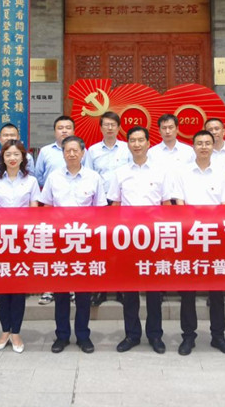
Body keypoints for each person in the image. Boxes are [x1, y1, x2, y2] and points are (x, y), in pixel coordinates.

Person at [108, 126, 172, 354]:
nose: (136, 144)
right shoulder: (120, 172)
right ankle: (132, 334)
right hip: (128, 239)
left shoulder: (161, 172)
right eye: (132, 140)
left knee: (154, 292)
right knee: (129, 291)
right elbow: (115, 206)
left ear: (148, 143)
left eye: (140, 140)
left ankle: (155, 335)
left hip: (154, 238)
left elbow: (167, 205)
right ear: (128, 144)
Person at [171, 130, 225, 356]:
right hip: (190, 237)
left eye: (208, 143)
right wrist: (193, 224)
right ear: (193, 147)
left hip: (215, 237)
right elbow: (179, 203)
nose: (204, 147)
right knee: (188, 291)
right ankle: (188, 336)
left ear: (212, 145)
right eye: (199, 143)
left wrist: (212, 225)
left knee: (216, 291)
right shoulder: (182, 172)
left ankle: (218, 336)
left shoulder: (221, 173)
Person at [40, 136, 105, 354]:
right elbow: (47, 208)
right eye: (67, 150)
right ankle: (62, 335)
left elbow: (100, 210)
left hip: (85, 241)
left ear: (83, 153)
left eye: (76, 150)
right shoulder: (54, 177)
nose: (72, 154)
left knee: (83, 293)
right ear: (63, 153)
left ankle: (83, 335)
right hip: (60, 242)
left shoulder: (93, 177)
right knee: (61, 292)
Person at [0, 139, 41, 354]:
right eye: (8, 154)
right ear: (2, 158)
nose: (12, 158)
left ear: (23, 157)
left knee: (18, 288)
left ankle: (16, 332)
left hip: (22, 241)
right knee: (2, 289)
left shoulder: (31, 181)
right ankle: (4, 331)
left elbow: (34, 211)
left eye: (16, 154)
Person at [35, 115, 91, 305]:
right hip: (57, 220)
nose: (64, 130)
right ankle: (51, 289)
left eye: (68, 127)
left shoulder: (88, 164)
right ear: (54, 131)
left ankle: (76, 289)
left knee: (78, 259)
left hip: (82, 224)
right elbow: (39, 176)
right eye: (60, 127)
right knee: (56, 259)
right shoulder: (46, 153)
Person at [87, 111, 132, 306]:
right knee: (101, 246)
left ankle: (122, 288)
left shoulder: (127, 149)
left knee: (122, 245)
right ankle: (101, 289)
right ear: (101, 127)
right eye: (106, 124)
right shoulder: (92, 151)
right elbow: (89, 176)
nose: (110, 128)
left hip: (122, 203)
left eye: (113, 124)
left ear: (119, 127)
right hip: (101, 202)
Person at [0, 123, 35, 187]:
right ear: (0, 139)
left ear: (18, 137)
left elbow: (31, 180)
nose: (9, 138)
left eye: (12, 135)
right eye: (5, 135)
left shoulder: (28, 157)